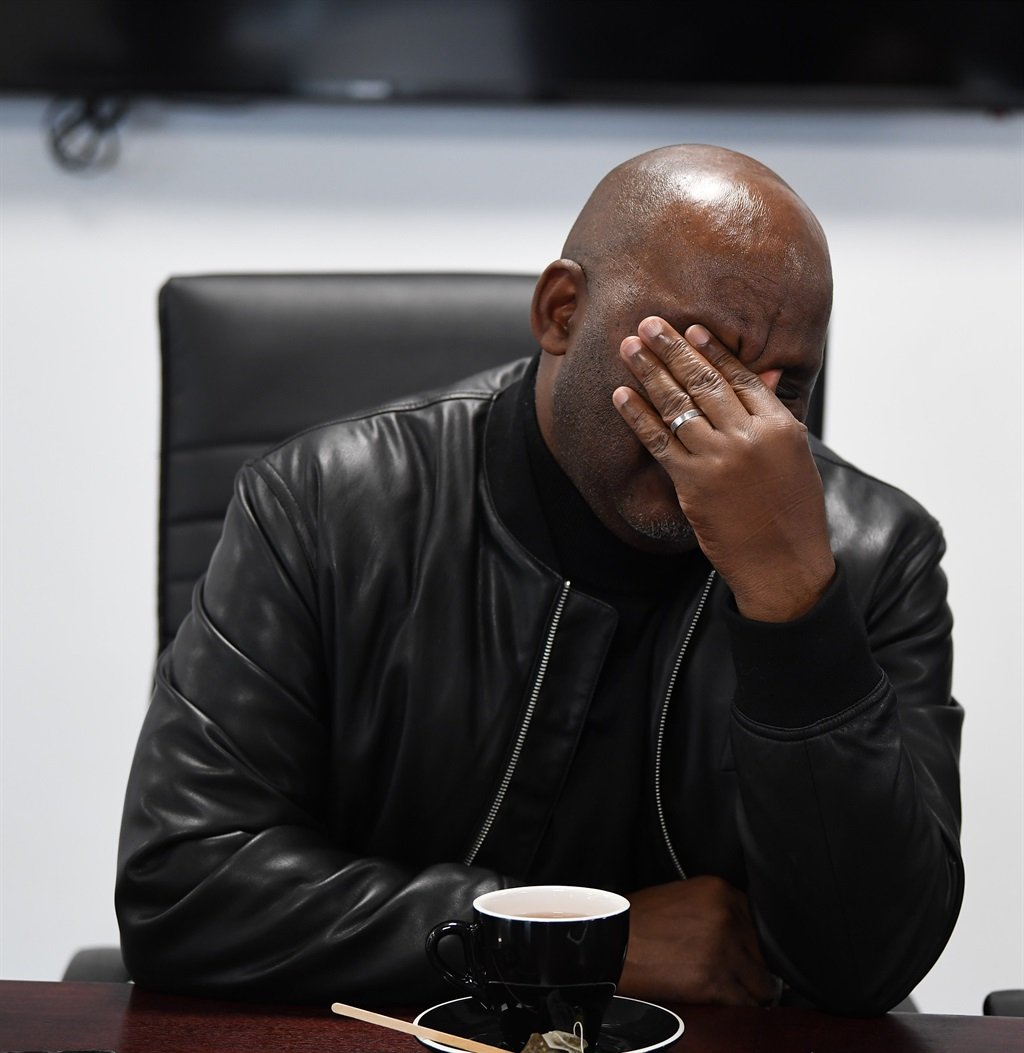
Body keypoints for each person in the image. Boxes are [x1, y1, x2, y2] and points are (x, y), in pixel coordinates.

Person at [116, 144, 963, 1016]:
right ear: (562, 312)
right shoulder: (325, 504)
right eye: (697, 362)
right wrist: (573, 941)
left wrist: (794, 606)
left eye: (786, 391)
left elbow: (869, 965)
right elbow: (183, 884)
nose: (739, 424)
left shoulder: (872, 558)